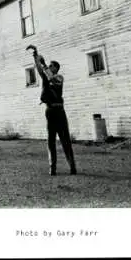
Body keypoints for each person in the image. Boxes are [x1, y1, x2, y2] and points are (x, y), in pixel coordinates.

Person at [27, 45, 77, 176]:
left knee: (65, 139)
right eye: (48, 65)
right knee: (50, 140)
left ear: (56, 68)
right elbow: (39, 70)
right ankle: (52, 168)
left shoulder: (59, 78)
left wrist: (43, 63)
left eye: (51, 65)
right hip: (50, 111)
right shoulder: (46, 77)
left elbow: (51, 78)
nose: (49, 67)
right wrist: (35, 56)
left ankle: (72, 167)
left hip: (59, 111)